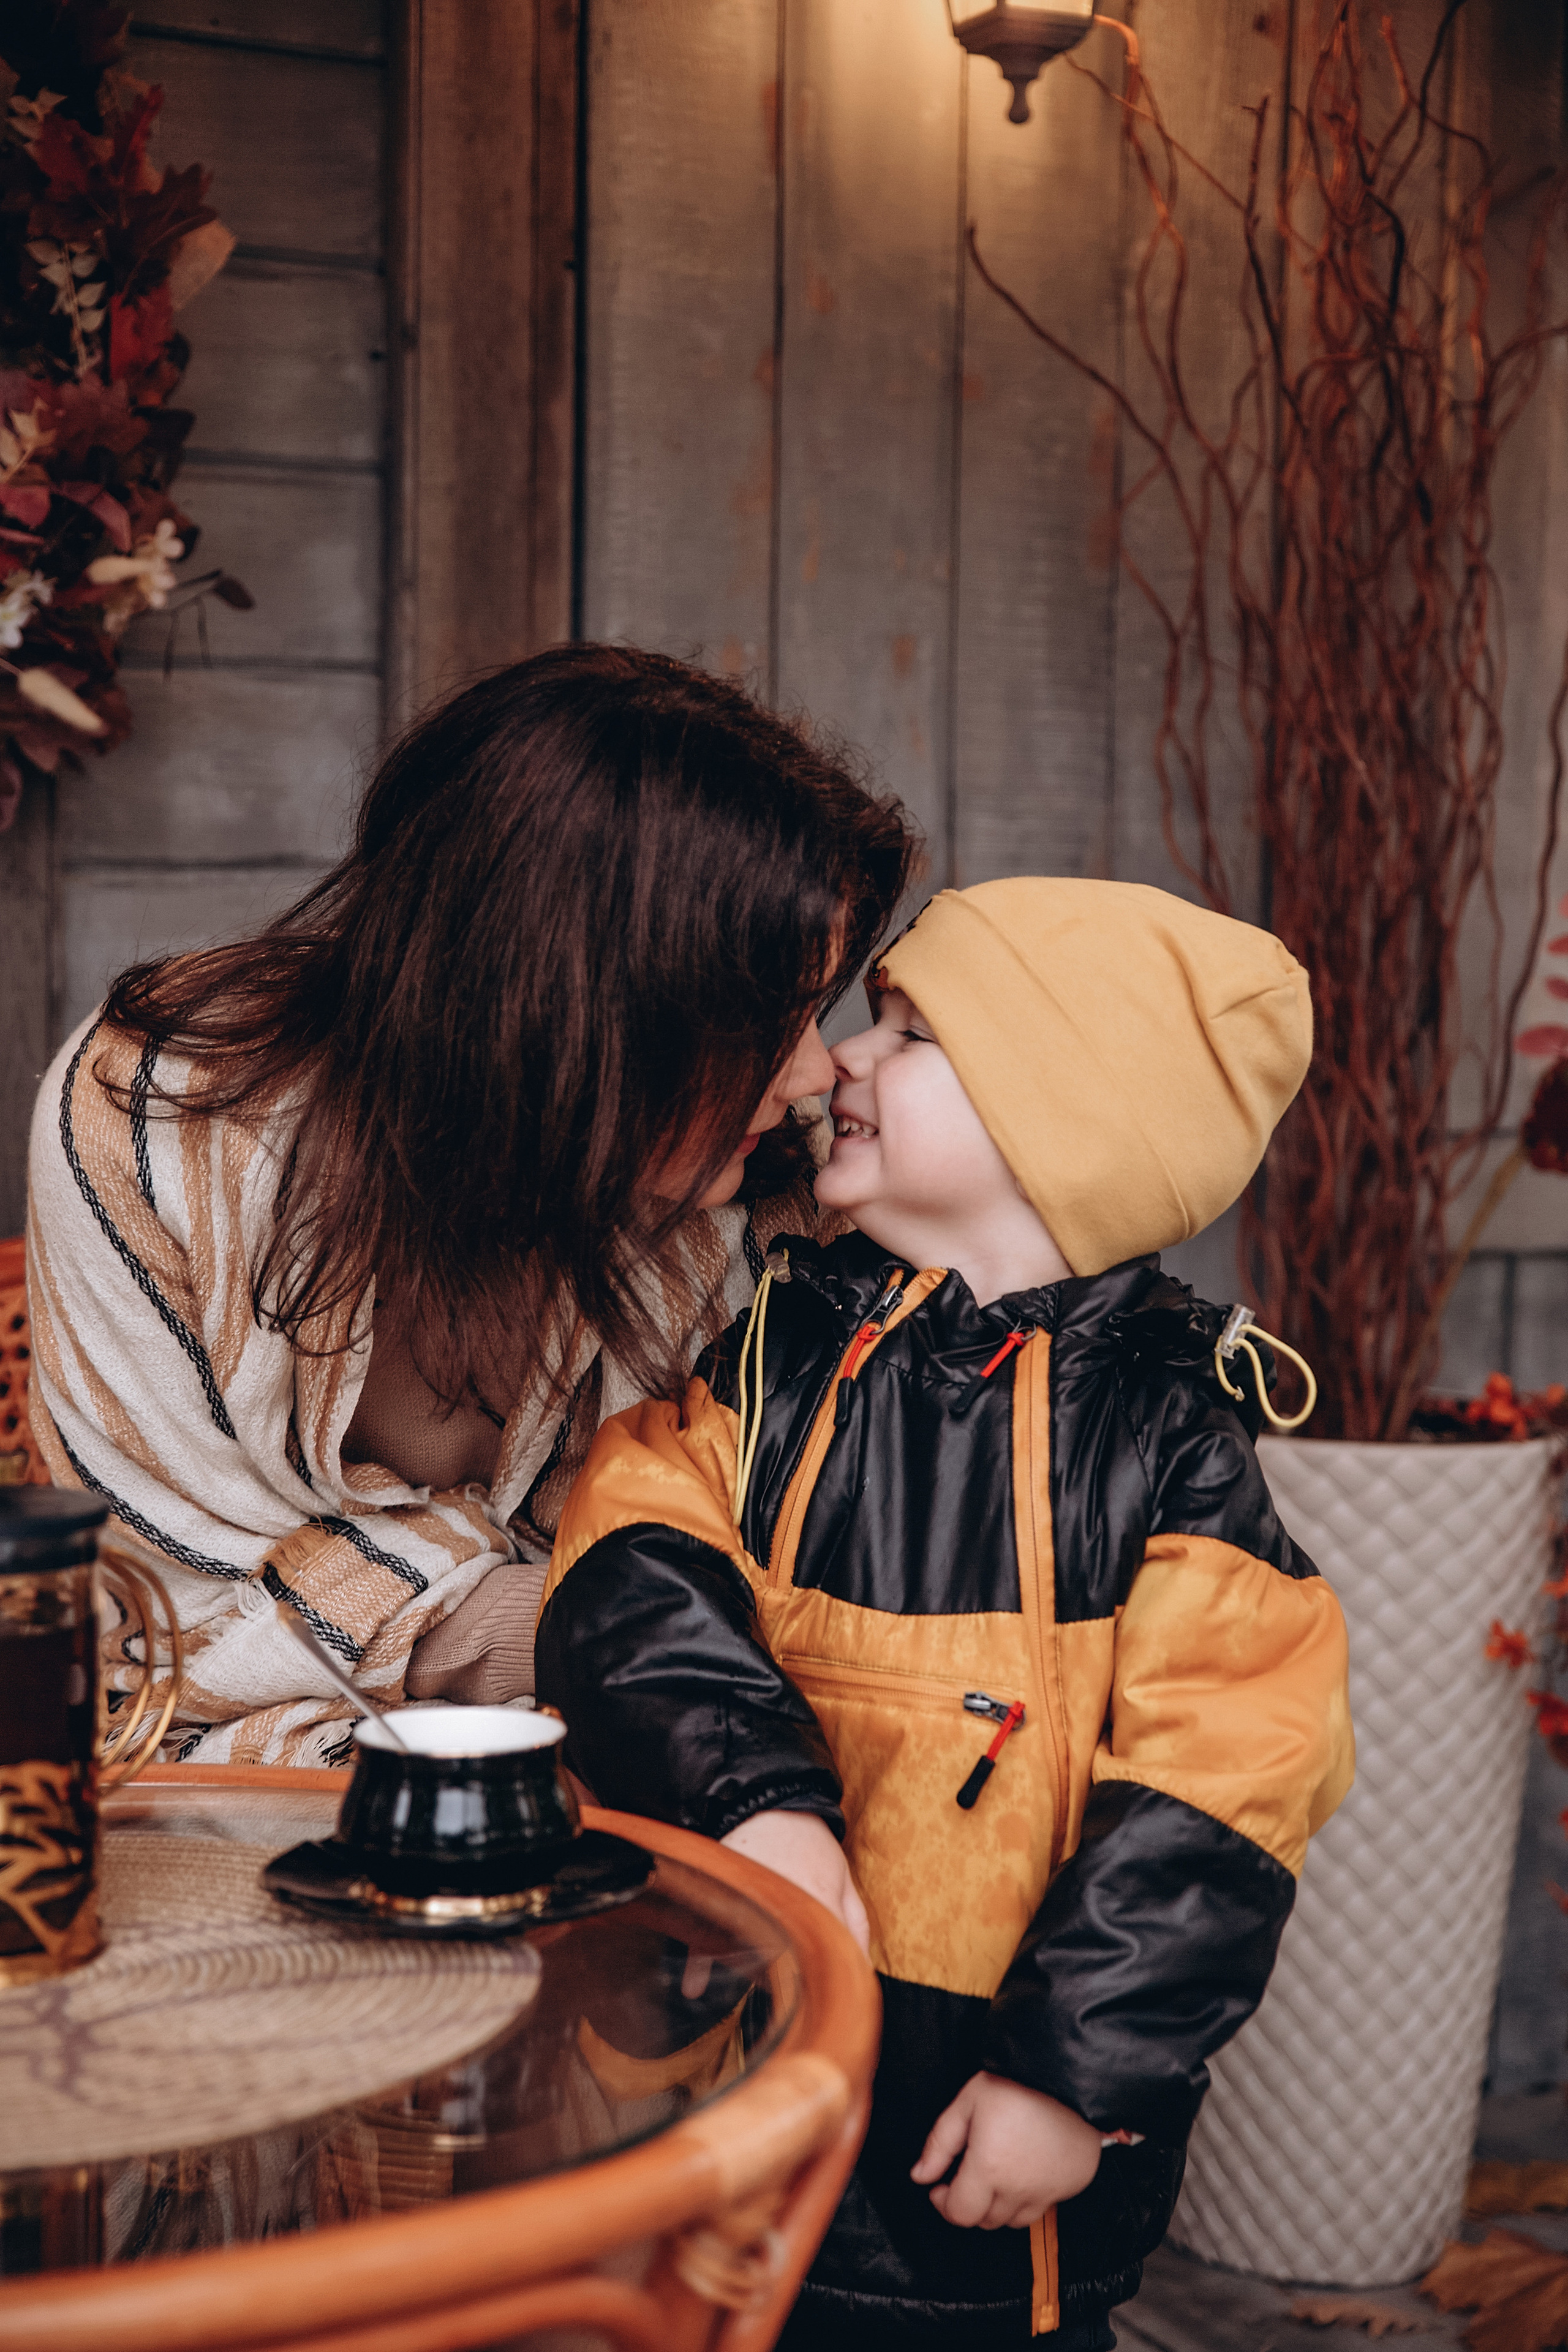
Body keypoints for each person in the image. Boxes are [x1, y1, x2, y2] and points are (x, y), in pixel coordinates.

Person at [536, 876, 1355, 2350]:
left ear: (1061, 1127)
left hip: (973, 2124)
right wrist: (757, 1797)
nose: (841, 1056)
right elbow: (626, 1554)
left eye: (909, 1034)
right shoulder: (777, 1349)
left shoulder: (1167, 1445)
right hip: (724, 2062)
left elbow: (1219, 1792)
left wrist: (1067, 2076)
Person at [23, 645, 918, 1764]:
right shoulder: (166, 1113)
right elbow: (149, 1631)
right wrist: (562, 1628)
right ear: (569, 1008)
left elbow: (826, 1601)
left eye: (817, 1010)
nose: (813, 1074)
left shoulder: (777, 1200)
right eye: (764, 1021)